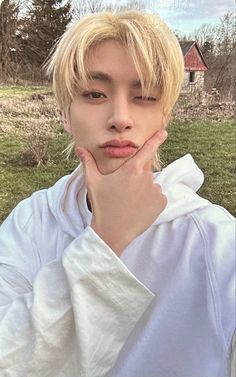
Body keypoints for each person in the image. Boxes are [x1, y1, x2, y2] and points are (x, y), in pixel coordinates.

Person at [0, 10, 235, 377]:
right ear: (65, 112)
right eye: (95, 94)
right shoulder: (30, 223)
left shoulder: (218, 242)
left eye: (144, 95)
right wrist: (105, 239)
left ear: (165, 114)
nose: (120, 117)